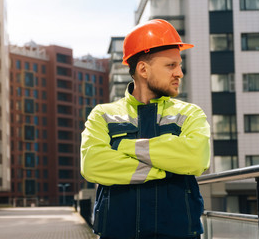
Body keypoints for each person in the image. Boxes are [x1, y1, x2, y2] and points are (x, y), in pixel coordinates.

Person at [80, 19, 211, 239]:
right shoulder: (102, 114)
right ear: (143, 69)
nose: (180, 73)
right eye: (171, 65)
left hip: (178, 234)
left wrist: (123, 146)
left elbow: (197, 158)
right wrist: (166, 169)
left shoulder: (191, 113)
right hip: (119, 234)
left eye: (179, 65)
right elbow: (92, 165)